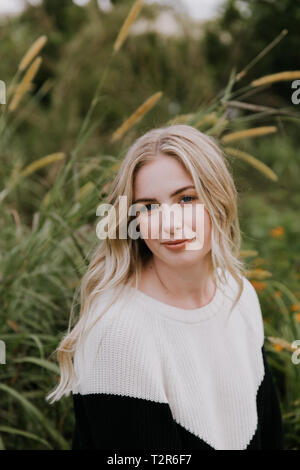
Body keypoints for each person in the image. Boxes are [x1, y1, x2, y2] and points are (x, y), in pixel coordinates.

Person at [46, 124, 283, 450]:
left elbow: (270, 435)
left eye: (186, 198)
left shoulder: (237, 293)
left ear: (220, 200)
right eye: (149, 206)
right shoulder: (119, 331)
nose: (169, 223)